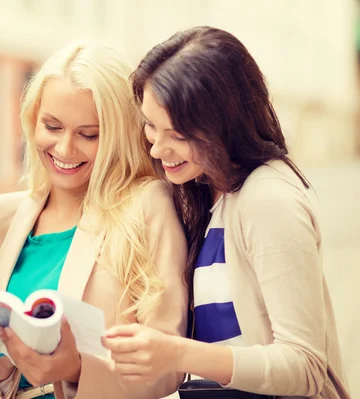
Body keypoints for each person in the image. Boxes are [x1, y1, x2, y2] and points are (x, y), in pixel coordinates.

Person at [102, 26, 351, 399]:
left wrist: (177, 353)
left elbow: (305, 366)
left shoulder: (268, 199)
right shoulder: (207, 193)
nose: (157, 149)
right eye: (151, 127)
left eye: (178, 135)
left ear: (225, 124)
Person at [0, 43, 188, 399]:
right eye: (52, 127)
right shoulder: (1, 216)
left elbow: (169, 366)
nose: (65, 150)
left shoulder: (147, 205)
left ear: (118, 135)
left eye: (89, 134)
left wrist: (77, 370)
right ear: (32, 121)